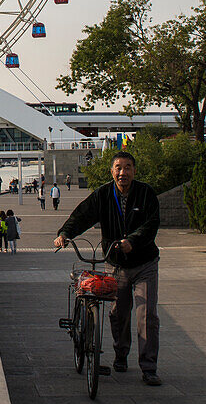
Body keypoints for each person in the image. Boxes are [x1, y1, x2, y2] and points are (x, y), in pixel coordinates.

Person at [54, 150, 161, 386]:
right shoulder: (103, 195)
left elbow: (151, 224)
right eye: (118, 168)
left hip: (145, 263)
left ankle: (149, 367)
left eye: (128, 167)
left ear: (134, 170)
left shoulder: (146, 194)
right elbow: (82, 215)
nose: (123, 172)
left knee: (147, 315)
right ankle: (121, 354)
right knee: (118, 313)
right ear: (112, 171)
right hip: (116, 264)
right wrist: (65, 233)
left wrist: (132, 241)